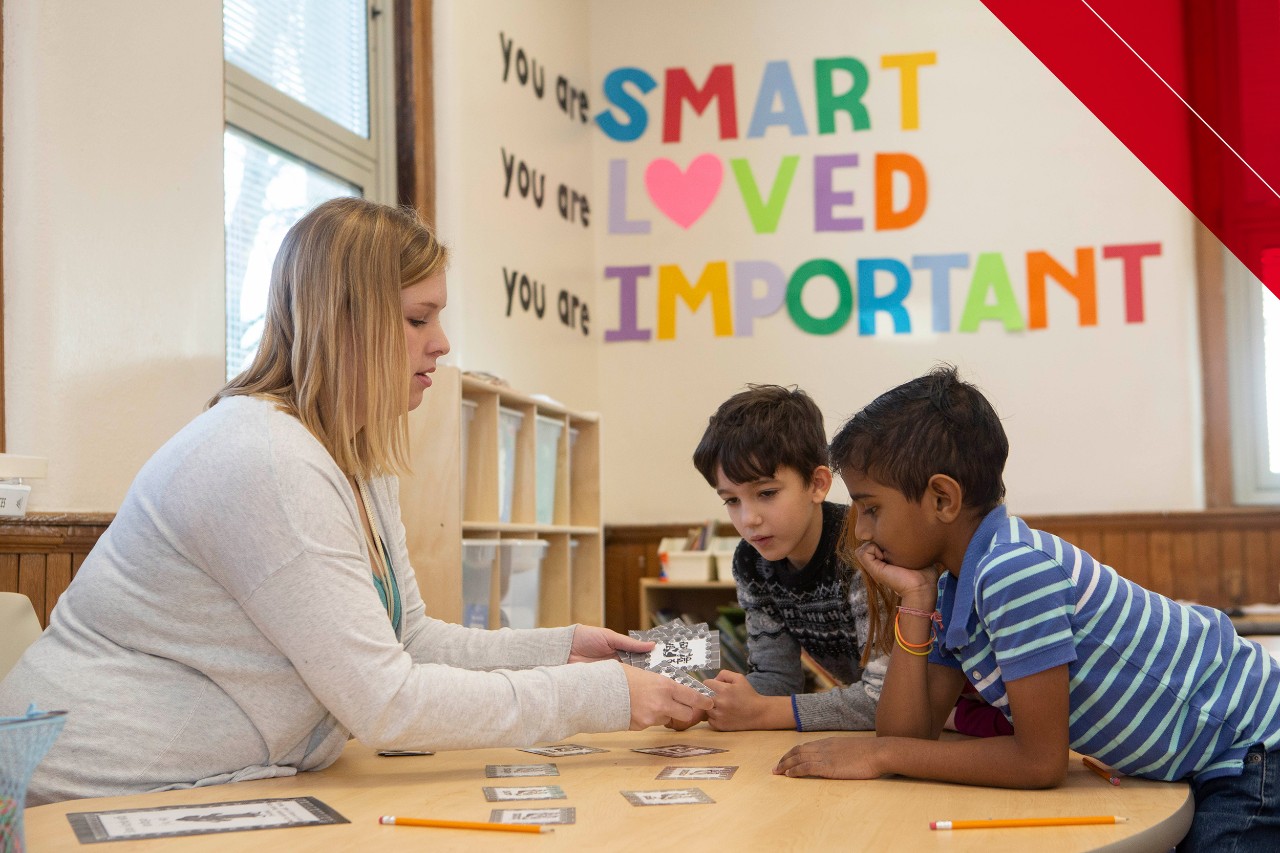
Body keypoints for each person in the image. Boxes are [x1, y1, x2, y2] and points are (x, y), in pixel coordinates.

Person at [0, 198, 710, 805]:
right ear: (345, 319)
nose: (442, 343)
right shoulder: (266, 459)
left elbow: (407, 640)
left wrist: (562, 649)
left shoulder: (353, 456)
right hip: (77, 793)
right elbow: (389, 703)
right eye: (417, 319)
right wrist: (599, 696)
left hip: (212, 784)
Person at [774, 365, 1280, 852]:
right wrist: (915, 600)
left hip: (1253, 748)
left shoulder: (1012, 572)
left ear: (942, 500)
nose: (860, 530)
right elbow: (910, 733)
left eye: (872, 508)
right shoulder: (956, 585)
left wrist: (880, 754)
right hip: (1215, 758)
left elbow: (1040, 763)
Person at [688, 384, 886, 732]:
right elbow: (776, 681)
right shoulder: (752, 562)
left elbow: (885, 700)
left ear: (817, 484)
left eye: (766, 493)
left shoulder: (863, 548)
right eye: (732, 500)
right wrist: (701, 703)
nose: (748, 519)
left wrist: (761, 713)